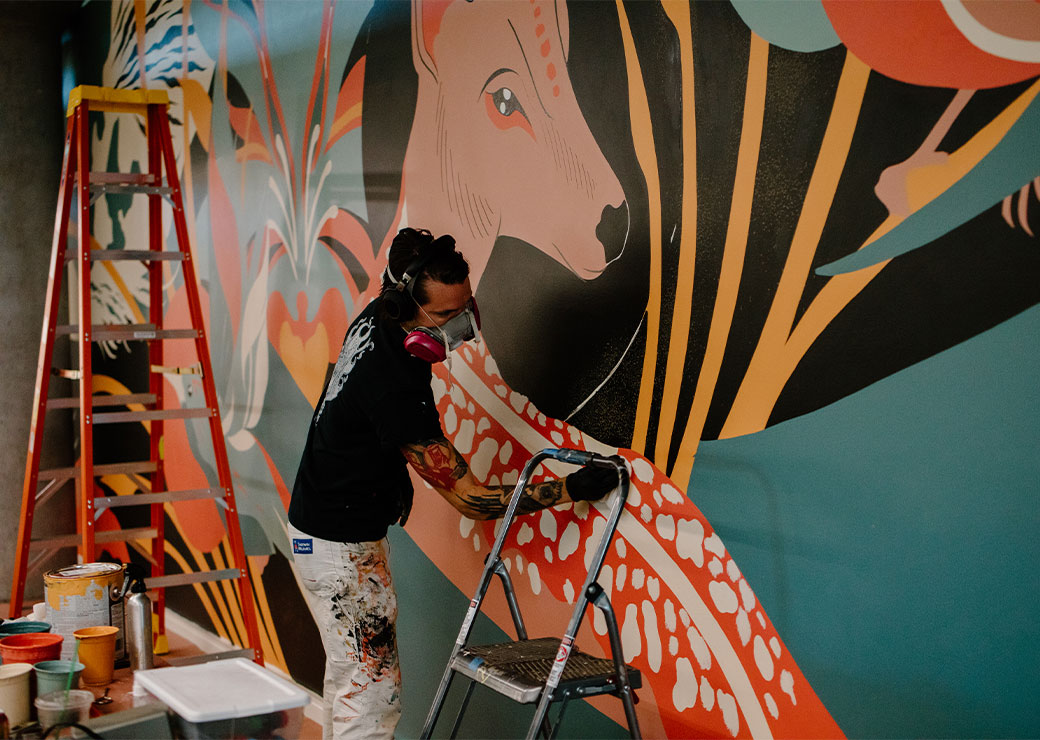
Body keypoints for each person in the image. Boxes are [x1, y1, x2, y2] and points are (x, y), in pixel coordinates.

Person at [287, 227, 617, 740]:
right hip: (341, 552)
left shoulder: (377, 320)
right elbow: (474, 500)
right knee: (372, 695)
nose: (461, 325)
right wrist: (570, 489)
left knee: (350, 677)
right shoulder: (395, 384)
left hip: (321, 530)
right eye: (444, 317)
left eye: (465, 307)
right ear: (403, 307)